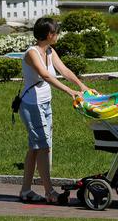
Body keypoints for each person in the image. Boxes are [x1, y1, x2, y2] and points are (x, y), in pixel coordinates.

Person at [18, 17, 94, 203]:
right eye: (56, 32)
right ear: (49, 35)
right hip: (32, 105)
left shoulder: (50, 51)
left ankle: (26, 191)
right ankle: (50, 192)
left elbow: (64, 70)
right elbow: (45, 75)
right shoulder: (32, 53)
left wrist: (82, 87)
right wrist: (70, 92)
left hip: (44, 103)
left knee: (36, 148)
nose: (57, 35)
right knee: (43, 147)